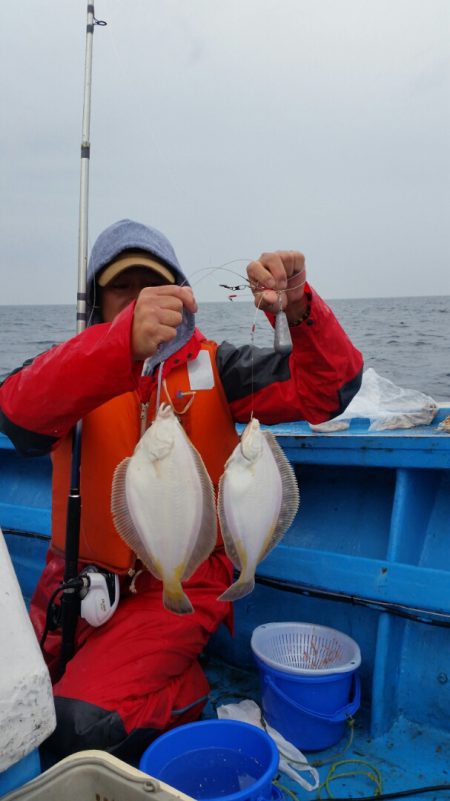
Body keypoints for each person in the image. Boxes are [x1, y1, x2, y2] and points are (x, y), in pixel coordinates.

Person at [0, 219, 363, 763]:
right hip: (77, 583)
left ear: (182, 295)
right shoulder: (72, 367)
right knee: (14, 703)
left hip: (178, 583)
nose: (140, 299)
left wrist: (300, 310)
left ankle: (185, 690)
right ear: (98, 300)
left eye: (154, 285)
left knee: (75, 727)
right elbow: (16, 415)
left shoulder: (220, 368)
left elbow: (329, 390)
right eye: (123, 287)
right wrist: (116, 346)